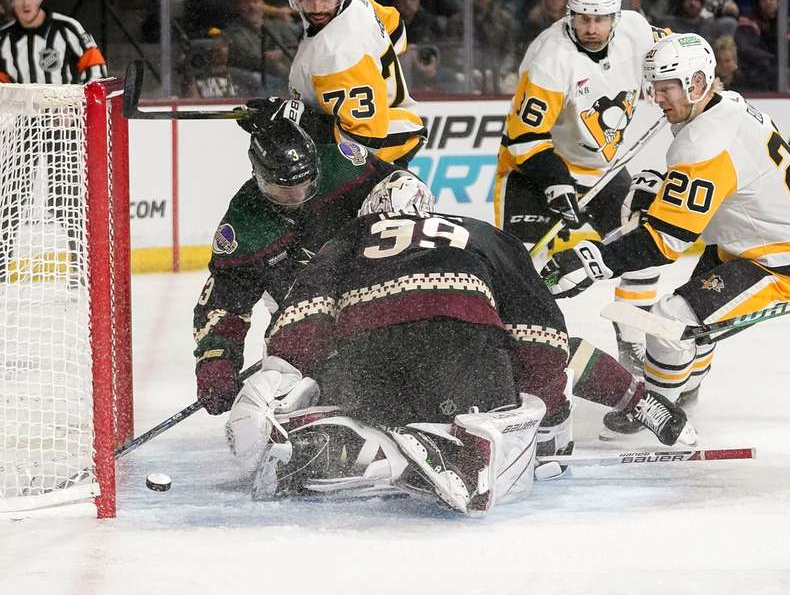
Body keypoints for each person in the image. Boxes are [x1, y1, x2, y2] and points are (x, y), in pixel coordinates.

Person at [222, 173, 693, 514]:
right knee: (551, 352)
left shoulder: (348, 238)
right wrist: (548, 411)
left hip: (373, 372)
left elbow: (306, 316)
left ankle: (352, 441)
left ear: (371, 216)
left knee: (336, 374)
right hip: (468, 368)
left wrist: (280, 371)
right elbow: (542, 330)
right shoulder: (483, 234)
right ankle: (637, 404)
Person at [542, 33, 790, 434]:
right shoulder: (729, 104)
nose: (658, 99)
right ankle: (686, 390)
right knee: (695, 322)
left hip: (787, 257)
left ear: (697, 84)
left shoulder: (704, 144)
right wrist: (664, 188)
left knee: (671, 320)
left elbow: (665, 242)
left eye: (666, 89)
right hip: (766, 234)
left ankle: (657, 407)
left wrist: (595, 260)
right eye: (654, 88)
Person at [493, 0, 670, 381]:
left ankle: (633, 339)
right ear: (570, 15)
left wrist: (701, 81)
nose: (591, 28)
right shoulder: (549, 58)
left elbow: (673, 53)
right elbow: (525, 137)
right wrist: (556, 185)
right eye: (584, 18)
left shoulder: (637, 31)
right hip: (534, 169)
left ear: (616, 18)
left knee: (642, 249)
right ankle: (510, 359)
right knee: (520, 272)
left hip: (603, 170)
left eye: (601, 19)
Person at [193, 115, 414, 420]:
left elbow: (408, 197)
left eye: (305, 184)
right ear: (257, 175)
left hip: (376, 300)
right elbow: (224, 307)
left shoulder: (345, 165)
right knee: (308, 404)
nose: (298, 196)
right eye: (283, 190)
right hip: (305, 324)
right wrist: (216, 362)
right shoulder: (243, 225)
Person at [0, 0, 107, 284]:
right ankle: (0, 268)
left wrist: (77, 105)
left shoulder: (67, 29)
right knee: (10, 198)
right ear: (10, 2)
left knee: (67, 197)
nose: (25, 2)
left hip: (64, 126)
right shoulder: (4, 40)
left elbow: (95, 68)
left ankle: (82, 267)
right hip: (22, 127)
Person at [285, 0, 426, 165]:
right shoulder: (357, 1)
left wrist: (301, 121)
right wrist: (372, 65)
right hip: (378, 131)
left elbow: (363, 142)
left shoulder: (338, 56)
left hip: (376, 156)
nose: (317, 7)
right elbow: (396, 30)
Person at [224, 0, 300, 94]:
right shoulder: (233, 32)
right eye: (246, 2)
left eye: (256, 2)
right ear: (238, 6)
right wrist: (274, 59)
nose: (252, 7)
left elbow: (297, 50)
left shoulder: (278, 25)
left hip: (287, 77)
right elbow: (250, 58)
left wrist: (281, 54)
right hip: (256, 81)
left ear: (263, 4)